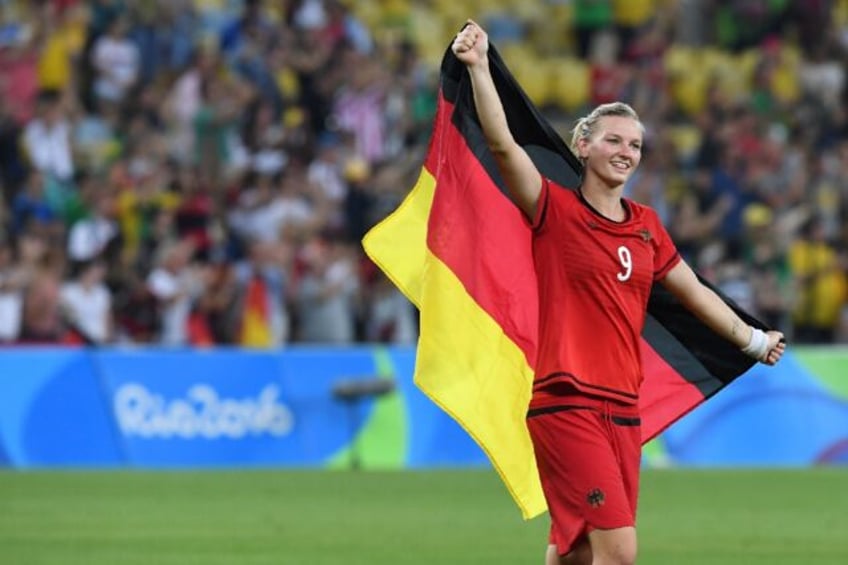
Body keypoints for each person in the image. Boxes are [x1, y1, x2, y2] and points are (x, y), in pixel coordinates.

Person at [451, 20, 786, 565]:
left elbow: (695, 294)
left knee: (578, 551)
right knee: (620, 550)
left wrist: (751, 339)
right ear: (582, 146)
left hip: (624, 410)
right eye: (613, 139)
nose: (626, 151)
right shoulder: (554, 209)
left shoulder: (648, 225)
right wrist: (480, 67)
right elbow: (502, 146)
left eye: (635, 144)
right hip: (567, 402)